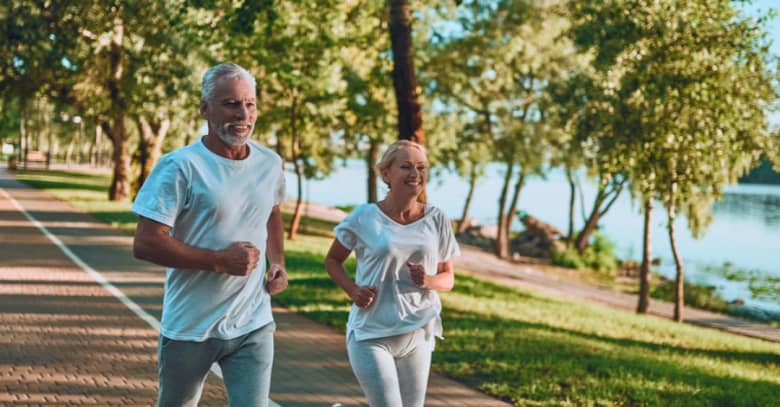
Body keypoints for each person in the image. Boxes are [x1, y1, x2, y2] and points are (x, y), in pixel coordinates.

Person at [132, 63, 288, 407]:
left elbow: (272, 211)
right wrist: (219, 261)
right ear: (205, 108)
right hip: (191, 326)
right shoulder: (181, 166)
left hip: (253, 323)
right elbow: (145, 242)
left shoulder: (270, 163)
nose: (243, 114)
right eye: (230, 104)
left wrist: (277, 262)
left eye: (250, 104)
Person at [324, 140, 460, 407]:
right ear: (386, 174)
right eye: (406, 166)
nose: (415, 174)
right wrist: (352, 290)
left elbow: (449, 277)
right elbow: (333, 260)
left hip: (418, 332)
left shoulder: (436, 218)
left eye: (421, 168)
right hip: (372, 335)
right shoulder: (364, 216)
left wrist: (428, 280)